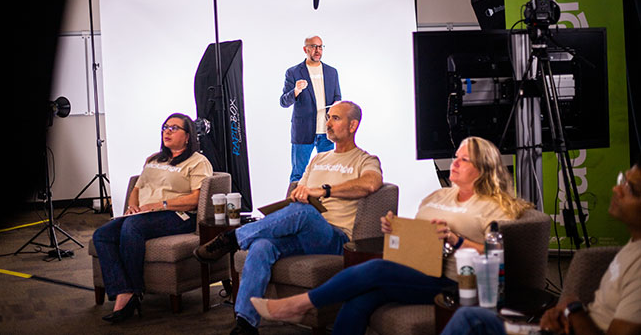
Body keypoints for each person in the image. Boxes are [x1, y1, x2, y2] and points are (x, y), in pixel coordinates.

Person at [250, 136, 533, 335]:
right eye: (455, 156)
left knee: (374, 268)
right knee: (360, 298)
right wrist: (396, 229)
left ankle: (299, 305)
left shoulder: (495, 207)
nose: (455, 162)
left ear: (483, 168)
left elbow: (498, 257)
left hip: (457, 284)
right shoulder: (439, 194)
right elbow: (421, 237)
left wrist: (455, 240)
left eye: (464, 159)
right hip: (422, 270)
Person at [194, 101, 383, 335]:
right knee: (262, 245)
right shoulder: (318, 159)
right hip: (303, 232)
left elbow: (371, 183)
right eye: (328, 118)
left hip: (335, 238)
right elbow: (300, 193)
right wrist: (298, 195)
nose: (328, 123)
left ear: (353, 125)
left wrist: (323, 191)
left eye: (335, 118)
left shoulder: (365, 159)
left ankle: (233, 237)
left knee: (304, 212)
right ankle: (246, 324)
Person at [438, 158, 641, 335]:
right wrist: (562, 314)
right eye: (623, 180)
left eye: (630, 189)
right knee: (471, 317)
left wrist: (573, 308)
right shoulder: (631, 246)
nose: (617, 189)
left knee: (468, 320)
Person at [92, 113, 213, 323]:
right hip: (145, 214)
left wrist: (161, 204)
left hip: (178, 215)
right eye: (165, 127)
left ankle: (134, 293)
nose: (167, 131)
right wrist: (132, 206)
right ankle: (123, 290)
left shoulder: (197, 162)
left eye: (174, 128)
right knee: (102, 234)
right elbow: (137, 187)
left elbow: (196, 199)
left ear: (188, 136)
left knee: (132, 228)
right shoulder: (154, 159)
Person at [280, 35, 342, 183]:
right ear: (305, 49)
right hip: (303, 131)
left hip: (327, 132)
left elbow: (337, 97)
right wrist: (295, 91)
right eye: (313, 46)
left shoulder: (331, 72)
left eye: (320, 47)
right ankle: (295, 205)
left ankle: (326, 205)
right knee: (298, 174)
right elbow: (283, 101)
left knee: (328, 174)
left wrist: (337, 106)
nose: (317, 50)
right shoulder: (293, 72)